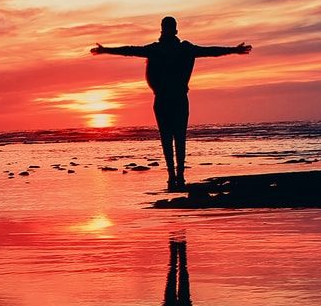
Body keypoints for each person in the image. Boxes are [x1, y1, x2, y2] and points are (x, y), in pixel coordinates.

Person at [90, 16, 252, 191]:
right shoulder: (177, 49)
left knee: (170, 138)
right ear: (175, 30)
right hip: (174, 99)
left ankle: (174, 175)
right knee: (176, 138)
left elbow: (210, 51)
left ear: (163, 30)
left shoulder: (164, 49)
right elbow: (131, 50)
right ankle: (176, 174)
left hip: (167, 99)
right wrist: (106, 50)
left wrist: (106, 50)